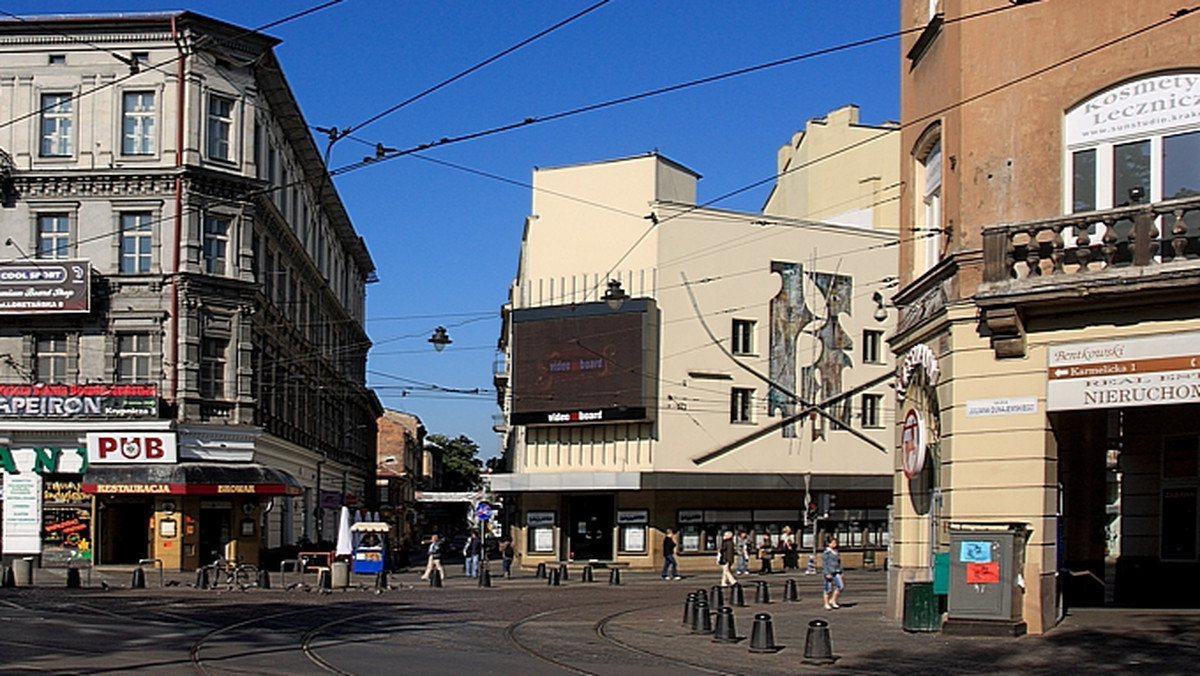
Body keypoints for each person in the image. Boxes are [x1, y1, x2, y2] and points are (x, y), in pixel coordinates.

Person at [822, 537, 844, 610]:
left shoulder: (836, 552)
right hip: (829, 572)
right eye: (833, 543)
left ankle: (833, 600)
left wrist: (841, 571)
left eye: (835, 543)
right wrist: (827, 573)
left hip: (836, 571)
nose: (835, 544)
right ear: (828, 544)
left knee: (840, 586)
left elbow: (839, 562)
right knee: (828, 589)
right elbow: (825, 564)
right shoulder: (826, 553)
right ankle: (826, 603)